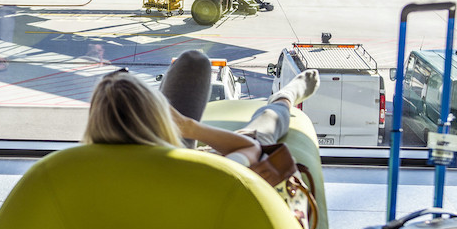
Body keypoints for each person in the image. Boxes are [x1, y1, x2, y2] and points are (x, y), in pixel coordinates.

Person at [83, 49, 319, 172]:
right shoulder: (200, 172)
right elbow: (251, 148)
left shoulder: (74, 170)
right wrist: (188, 126)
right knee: (262, 130)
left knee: (193, 63)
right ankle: (285, 97)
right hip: (181, 166)